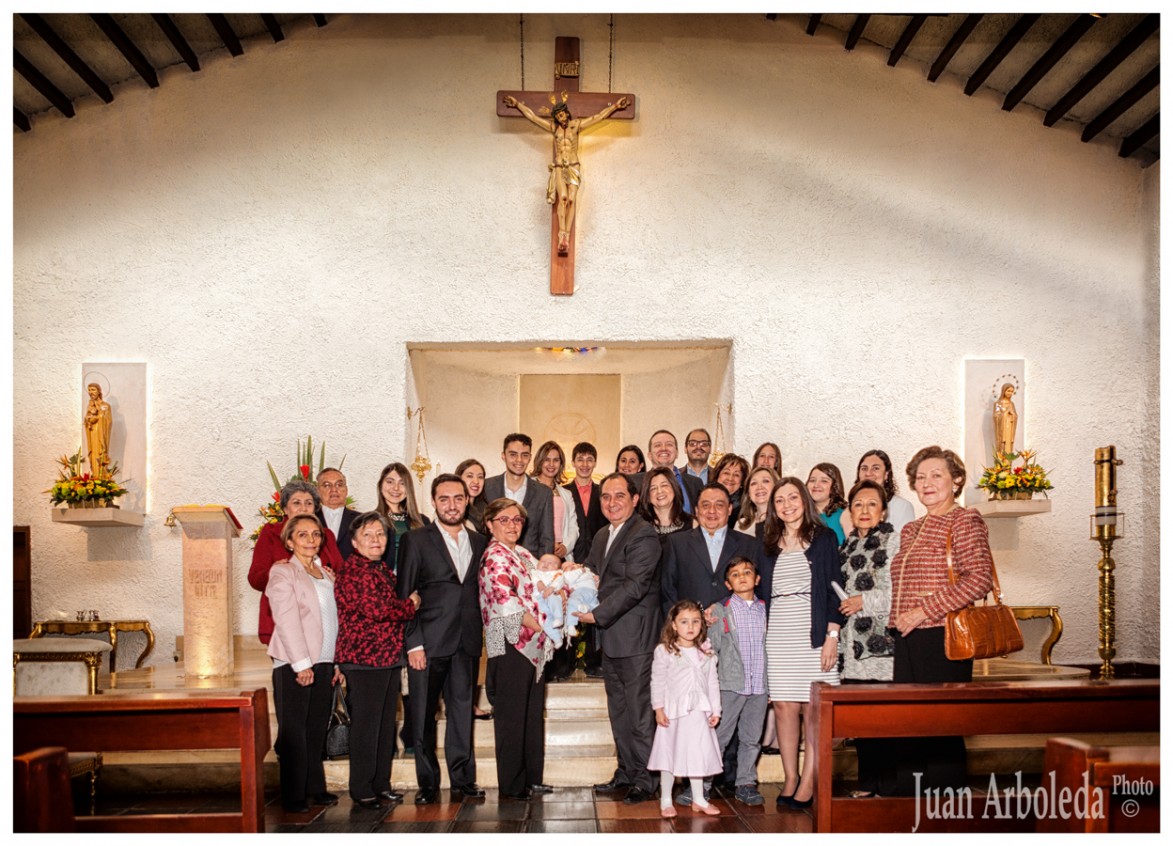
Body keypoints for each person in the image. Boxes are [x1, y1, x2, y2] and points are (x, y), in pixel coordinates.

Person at [889, 446, 993, 794]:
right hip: (907, 638)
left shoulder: (965, 520)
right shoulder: (911, 529)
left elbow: (979, 578)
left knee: (941, 726)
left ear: (956, 480)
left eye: (936, 475)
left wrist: (924, 610)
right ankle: (908, 803)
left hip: (943, 637)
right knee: (908, 725)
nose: (927, 483)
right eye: (920, 477)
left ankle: (945, 808)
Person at [397, 474, 489, 804]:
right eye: (444, 499)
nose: (452, 505)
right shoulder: (416, 540)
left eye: (458, 498)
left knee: (462, 714)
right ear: (434, 502)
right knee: (422, 715)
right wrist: (413, 643)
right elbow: (405, 594)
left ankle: (463, 780)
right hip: (428, 643)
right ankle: (428, 783)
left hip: (466, 642)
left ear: (467, 501)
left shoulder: (480, 542)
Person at [577, 473, 662, 804]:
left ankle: (646, 779)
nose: (612, 503)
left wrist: (596, 615)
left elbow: (635, 586)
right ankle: (626, 771)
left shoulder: (644, 534)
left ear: (635, 499)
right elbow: (590, 572)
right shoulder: (602, 534)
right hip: (610, 638)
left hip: (636, 639)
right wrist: (569, 581)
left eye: (619, 496)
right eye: (606, 497)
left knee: (639, 713)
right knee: (619, 711)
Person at [763, 477, 843, 809]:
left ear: (804, 500)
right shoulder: (768, 542)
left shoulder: (824, 538)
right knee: (784, 706)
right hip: (779, 634)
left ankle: (809, 781)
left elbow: (835, 589)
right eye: (780, 500)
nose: (787, 505)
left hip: (813, 634)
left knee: (813, 710)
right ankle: (790, 777)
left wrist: (832, 637)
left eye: (793, 497)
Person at [334, 512, 421, 808]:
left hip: (387, 658)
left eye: (380, 534)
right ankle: (361, 787)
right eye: (368, 535)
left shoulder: (380, 568)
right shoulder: (354, 571)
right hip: (364, 660)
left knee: (385, 726)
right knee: (367, 726)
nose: (375, 540)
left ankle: (381, 783)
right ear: (355, 542)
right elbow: (380, 610)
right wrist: (411, 604)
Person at [478, 498, 554, 800]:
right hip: (509, 643)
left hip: (532, 645)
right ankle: (512, 785)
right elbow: (507, 603)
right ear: (490, 524)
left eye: (517, 520)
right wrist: (546, 627)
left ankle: (532, 778)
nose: (512, 525)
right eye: (504, 520)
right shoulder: (493, 557)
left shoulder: (521, 553)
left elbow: (544, 581)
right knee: (511, 718)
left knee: (531, 715)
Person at [264, 513, 340, 813]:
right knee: (294, 731)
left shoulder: (327, 574)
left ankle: (315, 787)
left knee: (316, 727)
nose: (311, 540)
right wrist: (300, 664)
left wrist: (336, 662)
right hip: (294, 662)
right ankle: (294, 794)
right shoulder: (283, 573)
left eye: (316, 534)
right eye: (303, 534)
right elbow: (286, 620)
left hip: (324, 660)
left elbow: (333, 619)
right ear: (289, 541)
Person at [501, 92, 631, 254]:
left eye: (561, 114)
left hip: (573, 166)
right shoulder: (554, 128)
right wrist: (517, 104)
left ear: (566, 113)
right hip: (558, 166)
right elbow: (533, 117)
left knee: (571, 199)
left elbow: (598, 117)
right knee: (562, 198)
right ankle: (562, 234)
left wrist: (616, 106)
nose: (560, 118)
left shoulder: (575, 126)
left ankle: (567, 235)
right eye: (557, 116)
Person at [837, 480, 900, 797]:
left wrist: (863, 601)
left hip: (879, 643)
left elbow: (900, 592)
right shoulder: (847, 545)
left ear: (883, 511)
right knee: (861, 719)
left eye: (872, 503)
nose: (864, 510)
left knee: (883, 719)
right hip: (851, 646)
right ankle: (867, 784)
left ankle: (887, 787)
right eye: (858, 504)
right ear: (850, 511)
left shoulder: (893, 541)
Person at [648, 600, 723, 819]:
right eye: (684, 622)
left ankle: (698, 798)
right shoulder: (665, 651)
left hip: (698, 712)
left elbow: (712, 683)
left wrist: (715, 710)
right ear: (673, 624)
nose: (690, 627)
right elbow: (657, 681)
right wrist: (658, 708)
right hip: (673, 713)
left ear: (702, 624)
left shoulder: (706, 652)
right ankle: (666, 799)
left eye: (695, 621)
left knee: (697, 753)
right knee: (669, 755)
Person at [704, 557, 769, 807]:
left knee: (751, 739)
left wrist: (770, 685)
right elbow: (712, 649)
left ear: (757, 579)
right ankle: (702, 785)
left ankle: (745, 784)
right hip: (730, 684)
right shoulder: (720, 610)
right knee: (719, 737)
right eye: (735, 574)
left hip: (759, 685)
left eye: (747, 572)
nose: (742, 577)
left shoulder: (766, 609)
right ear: (728, 584)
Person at [249, 479, 344, 646]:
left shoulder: (326, 535)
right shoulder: (271, 533)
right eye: (296, 503)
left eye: (309, 503)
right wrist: (276, 573)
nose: (303, 508)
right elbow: (255, 578)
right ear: (286, 509)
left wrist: (332, 577)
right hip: (283, 624)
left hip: (324, 622)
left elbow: (343, 574)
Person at [661, 482, 765, 615]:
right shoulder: (676, 543)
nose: (712, 511)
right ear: (696, 510)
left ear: (729, 509)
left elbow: (759, 590)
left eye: (719, 505)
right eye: (705, 505)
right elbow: (667, 590)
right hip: (690, 624)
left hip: (737, 624)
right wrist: (679, 621)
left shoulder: (750, 545)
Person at [483, 433, 555, 557]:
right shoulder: (487, 487)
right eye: (513, 454)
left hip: (531, 563)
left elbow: (546, 539)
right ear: (503, 456)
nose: (519, 460)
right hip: (494, 561)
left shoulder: (544, 493)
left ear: (530, 457)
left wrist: (544, 567)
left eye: (524, 455)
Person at [531, 440, 580, 562]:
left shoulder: (566, 494)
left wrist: (565, 547)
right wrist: (548, 543)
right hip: (535, 554)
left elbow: (573, 527)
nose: (551, 464)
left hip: (561, 556)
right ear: (540, 461)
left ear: (561, 463)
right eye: (547, 460)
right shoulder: (529, 487)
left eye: (556, 460)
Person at [847, 450, 916, 535]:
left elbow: (903, 541)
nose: (868, 473)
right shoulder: (851, 507)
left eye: (876, 468)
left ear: (886, 474)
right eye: (864, 468)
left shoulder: (902, 506)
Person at [375, 462, 430, 569]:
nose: (396, 488)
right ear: (380, 485)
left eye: (402, 483)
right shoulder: (370, 520)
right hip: (381, 578)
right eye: (390, 482)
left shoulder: (423, 521)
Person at [643, 429, 703, 514]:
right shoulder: (637, 483)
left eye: (669, 444)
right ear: (649, 455)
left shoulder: (695, 483)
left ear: (677, 453)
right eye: (657, 445)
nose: (664, 448)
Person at [566, 442, 605, 563]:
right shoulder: (563, 492)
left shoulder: (604, 492)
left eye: (589, 460)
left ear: (595, 463)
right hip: (569, 557)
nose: (585, 464)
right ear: (573, 463)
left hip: (598, 557)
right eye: (580, 460)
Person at [638, 466, 693, 543]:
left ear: (674, 488)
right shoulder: (639, 528)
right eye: (653, 488)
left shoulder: (693, 524)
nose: (659, 491)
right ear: (647, 496)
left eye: (664, 485)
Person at [318, 467, 359, 559]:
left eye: (339, 485)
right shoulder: (310, 518)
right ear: (318, 491)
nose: (334, 489)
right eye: (327, 485)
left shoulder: (361, 520)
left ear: (346, 490)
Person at [806, 463, 848, 545]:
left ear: (835, 486)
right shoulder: (803, 515)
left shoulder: (844, 514)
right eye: (812, 480)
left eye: (824, 481)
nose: (816, 485)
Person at [736, 466, 779, 538]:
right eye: (754, 483)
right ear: (748, 494)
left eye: (765, 481)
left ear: (777, 487)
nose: (759, 487)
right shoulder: (740, 525)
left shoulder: (786, 521)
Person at [84, 382, 112, 476]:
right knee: (93, 455)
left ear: (99, 391)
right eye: (89, 390)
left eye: (93, 390)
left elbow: (108, 421)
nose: (90, 392)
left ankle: (101, 477)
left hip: (100, 434)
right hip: (92, 433)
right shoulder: (89, 406)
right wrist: (88, 419)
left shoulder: (105, 406)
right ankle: (95, 475)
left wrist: (98, 415)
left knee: (100, 454)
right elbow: (86, 420)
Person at [713, 453, 749, 523]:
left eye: (736, 475)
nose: (730, 478)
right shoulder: (704, 498)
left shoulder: (748, 509)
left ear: (742, 481)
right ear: (717, 475)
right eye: (726, 473)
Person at [456, 458, 488, 531]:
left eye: (480, 477)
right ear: (459, 479)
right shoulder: (451, 509)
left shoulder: (486, 509)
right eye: (470, 476)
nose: (476, 481)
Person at [993, 383, 1019, 456]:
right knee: (1002, 445)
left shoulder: (1011, 404)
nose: (1010, 393)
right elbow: (996, 416)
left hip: (1010, 428)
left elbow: (1015, 416)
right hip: (1002, 429)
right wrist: (1005, 413)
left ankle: (1008, 462)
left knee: (1009, 446)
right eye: (1008, 391)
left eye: (1012, 391)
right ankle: (1001, 462)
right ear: (1003, 391)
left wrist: (1013, 414)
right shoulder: (998, 403)